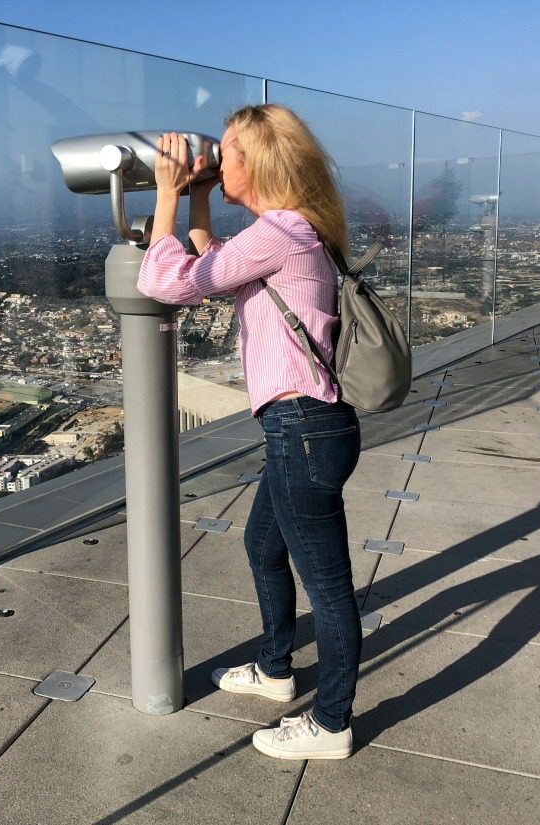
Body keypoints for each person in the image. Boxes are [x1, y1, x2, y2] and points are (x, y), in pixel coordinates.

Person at [137, 104, 361, 760]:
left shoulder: (283, 231)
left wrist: (167, 196)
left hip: (303, 431)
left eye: (227, 151)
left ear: (259, 162)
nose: (217, 157)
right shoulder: (290, 232)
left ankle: (330, 722)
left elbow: (169, 282)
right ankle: (273, 668)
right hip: (309, 427)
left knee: (329, 586)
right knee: (264, 545)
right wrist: (201, 198)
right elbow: (215, 265)